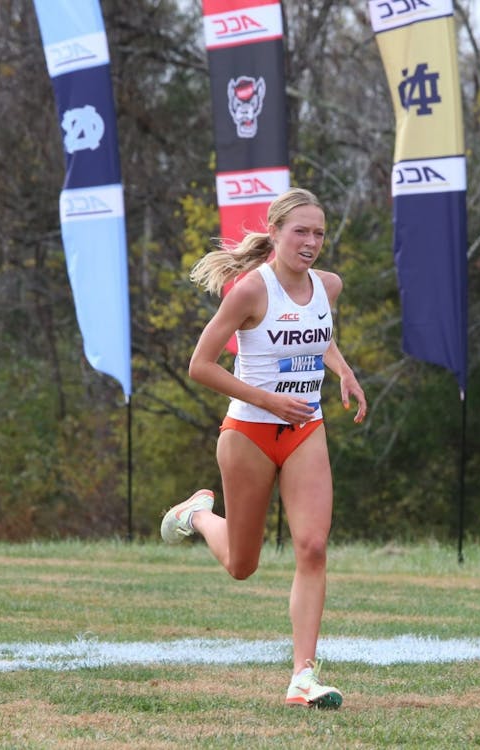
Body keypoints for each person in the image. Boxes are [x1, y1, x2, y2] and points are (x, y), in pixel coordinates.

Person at [160, 187, 367, 709]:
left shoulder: (329, 286)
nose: (311, 242)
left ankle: (303, 675)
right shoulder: (251, 290)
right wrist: (267, 401)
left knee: (313, 547)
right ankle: (199, 515)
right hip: (248, 434)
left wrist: (342, 371)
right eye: (301, 231)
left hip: (305, 430)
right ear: (275, 233)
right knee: (242, 565)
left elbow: (317, 335)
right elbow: (200, 365)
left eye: (319, 233)